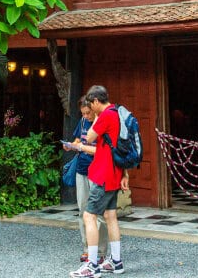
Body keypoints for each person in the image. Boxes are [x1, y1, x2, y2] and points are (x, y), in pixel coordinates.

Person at [69, 85, 129, 277]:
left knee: (89, 216)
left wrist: (96, 118)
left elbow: (90, 136)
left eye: (91, 106)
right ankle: (116, 262)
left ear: (96, 101)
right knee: (110, 216)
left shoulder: (106, 115)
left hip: (103, 173)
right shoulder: (118, 113)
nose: (89, 111)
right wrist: (125, 174)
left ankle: (92, 265)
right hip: (114, 172)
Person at [64, 97, 109, 263]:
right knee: (83, 210)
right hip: (82, 169)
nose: (86, 116)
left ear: (95, 107)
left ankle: (101, 252)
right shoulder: (83, 121)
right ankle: (87, 249)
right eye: (83, 113)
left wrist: (83, 147)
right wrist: (71, 144)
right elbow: (78, 139)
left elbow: (104, 151)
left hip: (98, 170)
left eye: (88, 113)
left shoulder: (102, 123)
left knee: (99, 213)